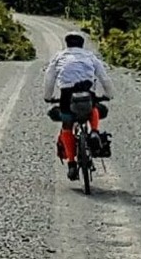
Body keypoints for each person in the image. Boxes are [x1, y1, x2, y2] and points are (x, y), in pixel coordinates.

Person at [43, 32, 112, 180]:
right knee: (93, 106)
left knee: (67, 126)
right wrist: (109, 95)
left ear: (67, 44)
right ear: (82, 44)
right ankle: (94, 131)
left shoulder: (59, 57)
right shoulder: (90, 57)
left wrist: (48, 97)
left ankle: (72, 164)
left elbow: (49, 78)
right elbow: (104, 78)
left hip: (67, 95)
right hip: (86, 93)